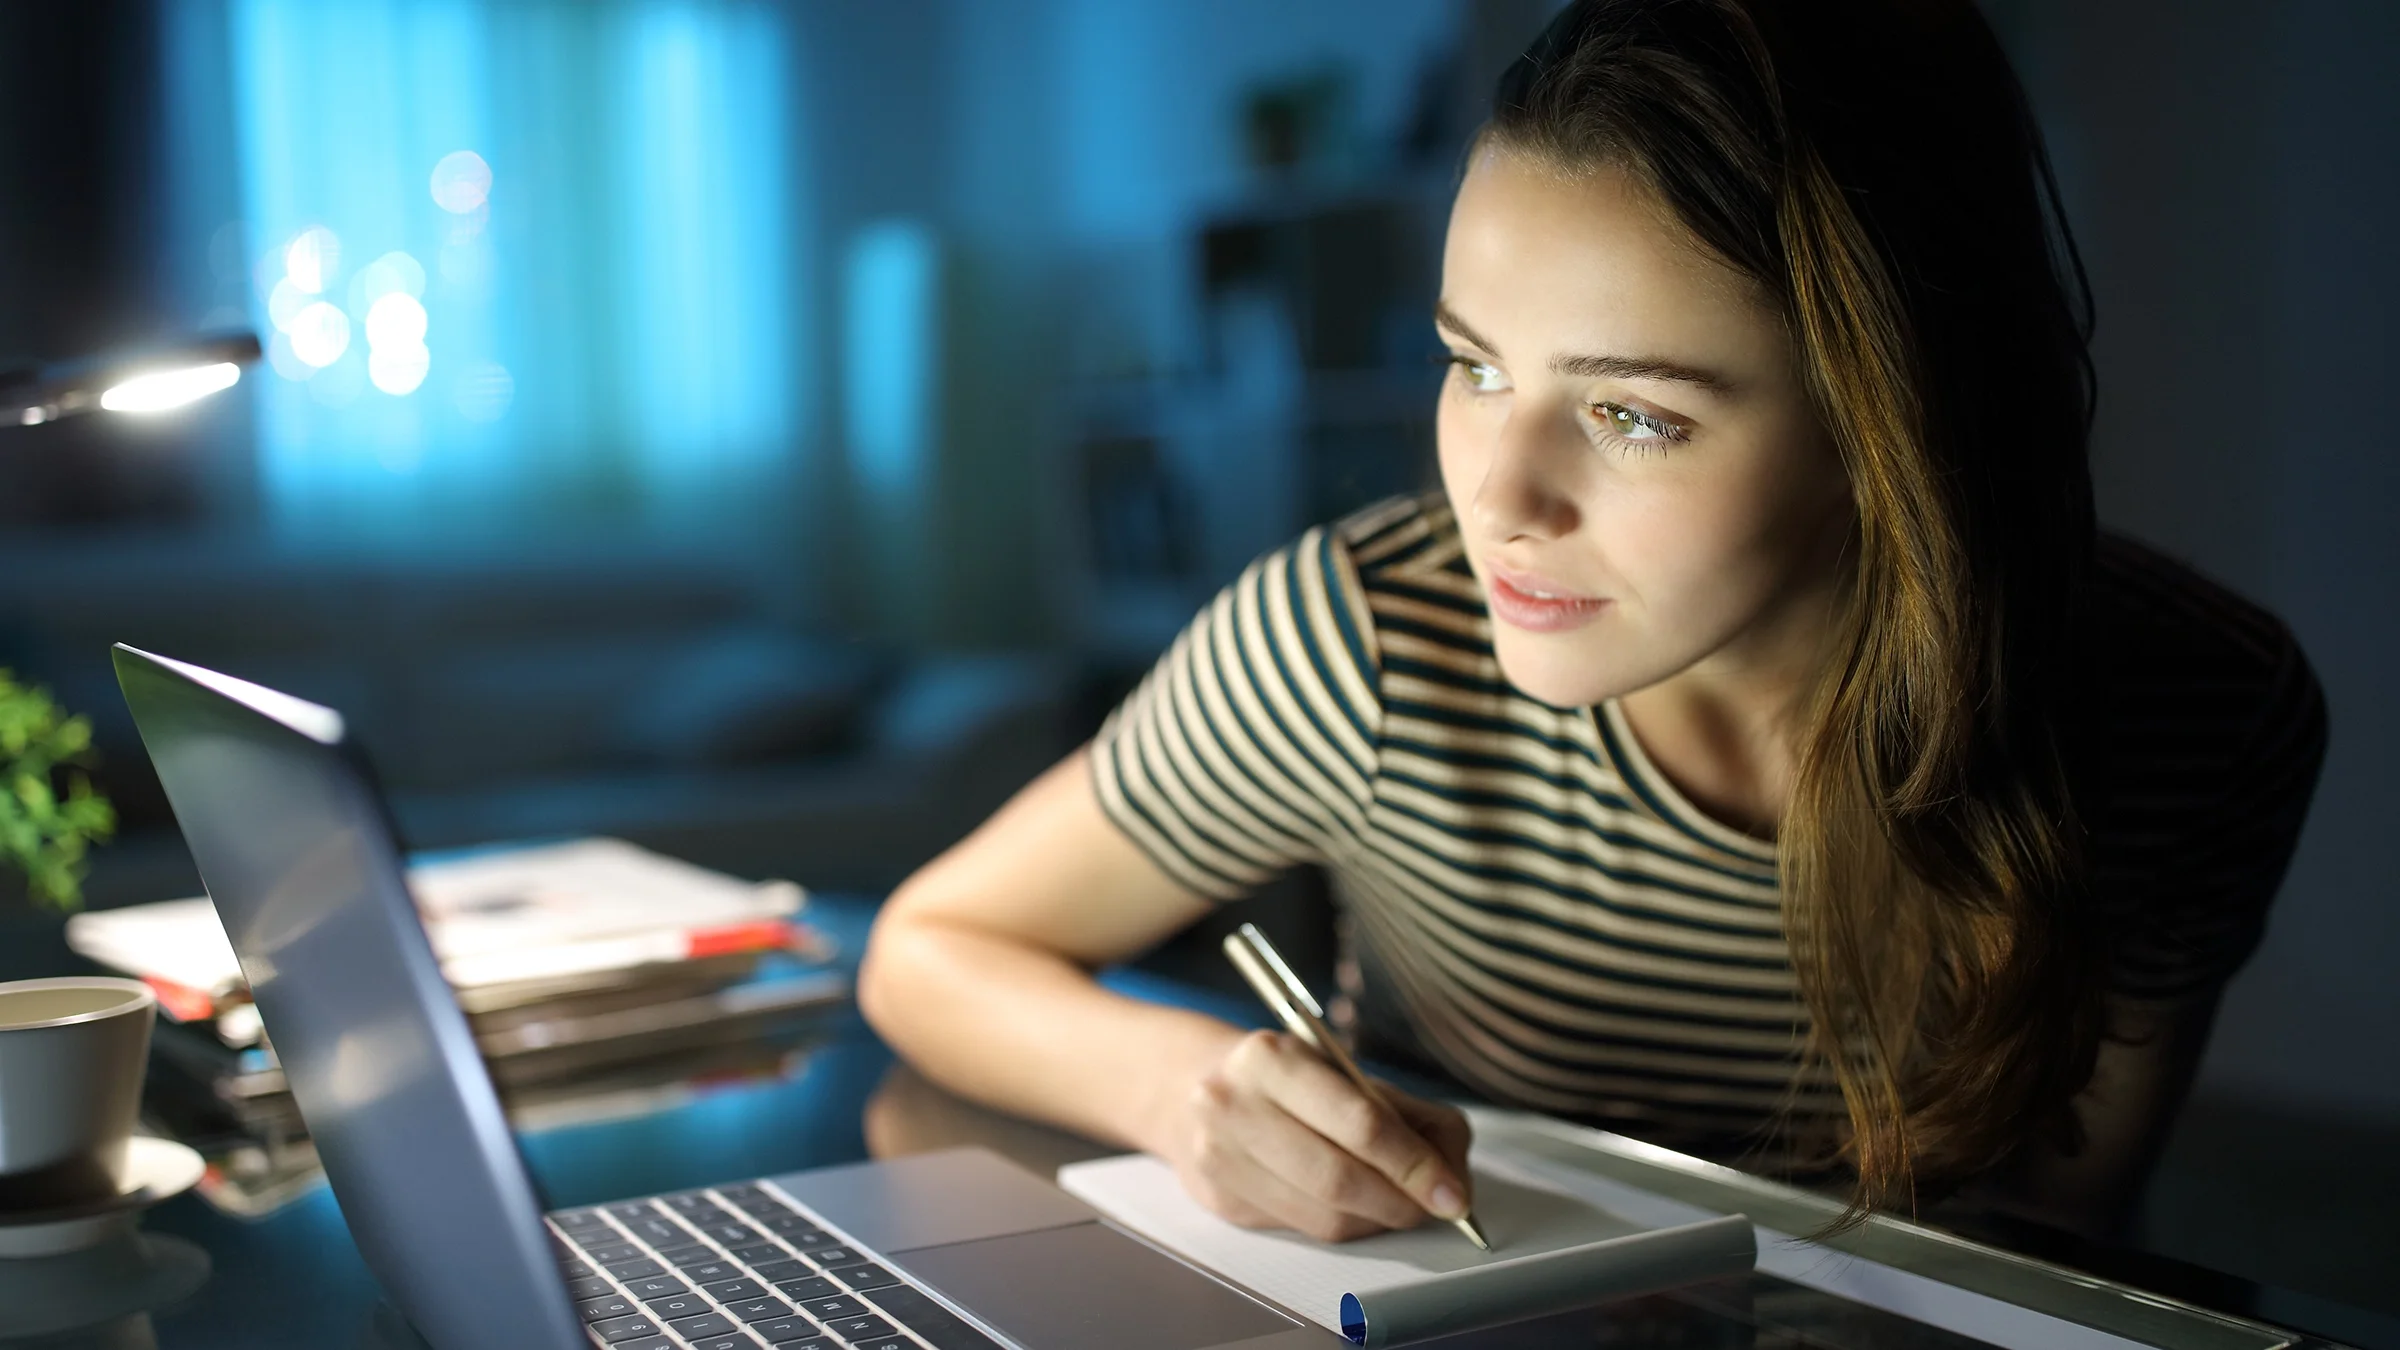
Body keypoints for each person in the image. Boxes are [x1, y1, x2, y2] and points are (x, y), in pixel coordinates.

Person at [858, 0, 2327, 1243]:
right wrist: (1185, 1093)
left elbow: (2051, 1248)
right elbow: (925, 946)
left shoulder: (2191, 709)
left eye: (1630, 413)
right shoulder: (1358, 644)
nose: (1499, 497)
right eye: (1473, 364)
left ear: (1891, 426)